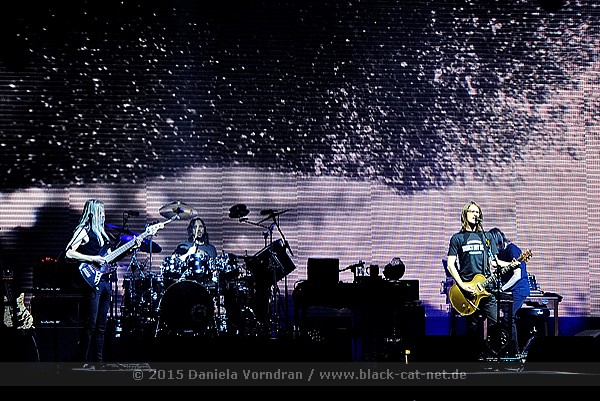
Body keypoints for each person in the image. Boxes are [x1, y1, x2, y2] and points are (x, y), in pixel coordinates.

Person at [446, 201, 518, 359]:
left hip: (486, 289)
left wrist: (511, 264)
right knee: (472, 327)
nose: (475, 214)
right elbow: (451, 265)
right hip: (468, 291)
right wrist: (462, 285)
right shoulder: (457, 238)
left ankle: (493, 355)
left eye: (477, 212)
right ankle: (473, 358)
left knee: (496, 324)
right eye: (472, 211)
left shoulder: (487, 237)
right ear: (465, 215)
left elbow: (494, 262)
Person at [64, 199, 122, 364]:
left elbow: (108, 259)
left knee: (101, 327)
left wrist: (132, 247)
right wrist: (92, 258)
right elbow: (68, 252)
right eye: (100, 212)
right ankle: (81, 362)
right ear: (93, 213)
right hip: (91, 282)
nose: (103, 215)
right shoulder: (83, 231)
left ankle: (99, 363)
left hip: (105, 281)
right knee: (90, 325)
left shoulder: (103, 235)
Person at [488, 227, 530, 356]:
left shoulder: (512, 250)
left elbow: (517, 275)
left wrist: (502, 289)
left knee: (508, 318)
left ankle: (514, 352)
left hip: (518, 290)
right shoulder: (501, 253)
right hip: (509, 290)